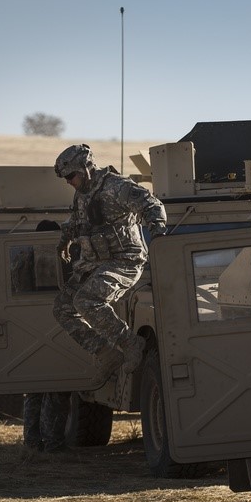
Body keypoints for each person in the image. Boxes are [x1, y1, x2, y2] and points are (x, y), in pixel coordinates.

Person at [52, 144, 167, 383]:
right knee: (62, 308)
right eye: (65, 177)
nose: (68, 181)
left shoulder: (116, 186)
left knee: (87, 300)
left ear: (85, 168)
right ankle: (106, 353)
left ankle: (131, 343)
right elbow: (75, 221)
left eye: (71, 175)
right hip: (95, 263)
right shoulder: (82, 193)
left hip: (124, 261)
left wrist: (158, 234)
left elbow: (151, 204)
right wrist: (64, 242)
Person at [22, 220, 72, 453]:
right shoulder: (61, 260)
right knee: (56, 389)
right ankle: (53, 442)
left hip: (29, 328)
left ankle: (33, 442)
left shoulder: (23, 259)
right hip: (55, 327)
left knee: (35, 389)